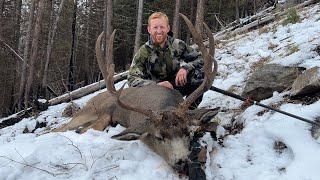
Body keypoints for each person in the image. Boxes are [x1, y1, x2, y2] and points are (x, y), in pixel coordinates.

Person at [128, 12, 204, 109]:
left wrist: (185, 68)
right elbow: (131, 79)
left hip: (175, 86)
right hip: (154, 92)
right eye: (155, 27)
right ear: (149, 29)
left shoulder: (178, 45)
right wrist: (156, 85)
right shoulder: (143, 52)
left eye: (162, 27)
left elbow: (200, 59)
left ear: (168, 28)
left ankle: (188, 110)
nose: (159, 31)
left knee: (199, 75)